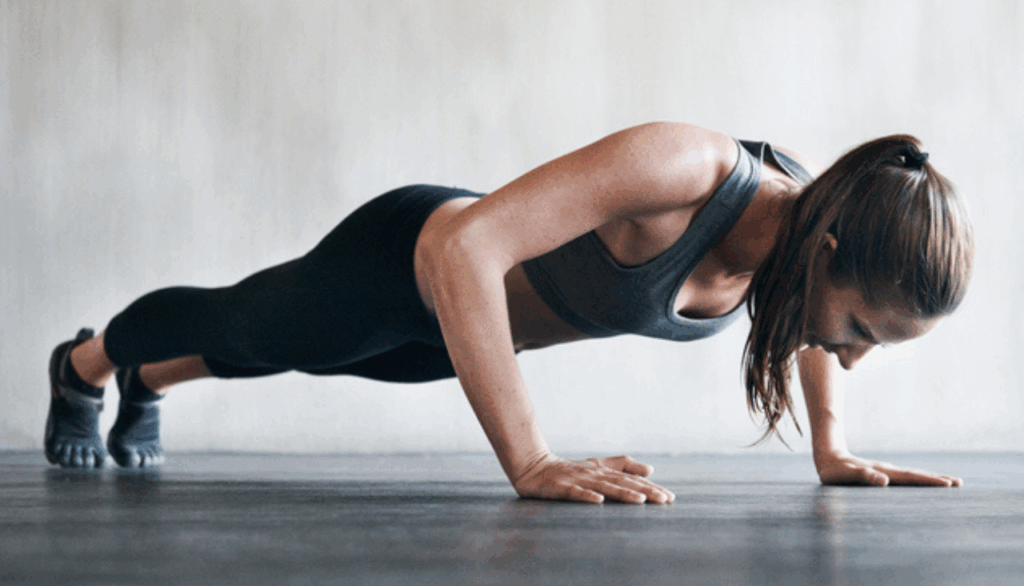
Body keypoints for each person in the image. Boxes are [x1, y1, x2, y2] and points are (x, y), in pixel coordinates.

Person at [45, 122, 974, 503]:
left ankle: (149, 382)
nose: (848, 354)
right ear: (830, 250)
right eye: (862, 330)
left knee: (297, 354)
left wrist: (830, 449)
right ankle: (86, 366)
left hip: (463, 338)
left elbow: (806, 328)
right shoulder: (689, 171)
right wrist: (529, 459)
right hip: (406, 263)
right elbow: (467, 248)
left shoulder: (804, 245)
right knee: (243, 323)